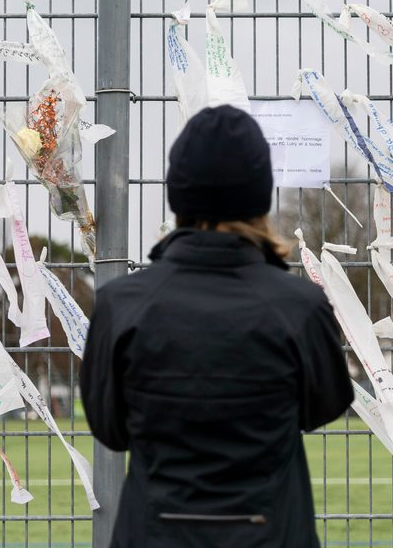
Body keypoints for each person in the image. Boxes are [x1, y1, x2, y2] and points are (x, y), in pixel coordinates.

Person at [81, 105, 353, 547]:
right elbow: (325, 405)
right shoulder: (299, 306)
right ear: (259, 194)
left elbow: (110, 429)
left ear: (178, 193)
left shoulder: (122, 304)